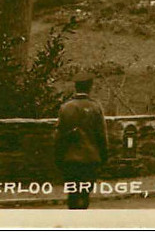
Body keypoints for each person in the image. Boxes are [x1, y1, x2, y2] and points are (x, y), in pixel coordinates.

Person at [54, 73, 109, 210]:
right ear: (90, 87)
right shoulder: (95, 108)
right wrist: (104, 156)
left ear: (76, 87)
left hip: (70, 159)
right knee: (85, 194)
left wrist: (59, 158)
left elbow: (59, 136)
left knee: (73, 194)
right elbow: (101, 136)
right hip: (90, 158)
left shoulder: (66, 108)